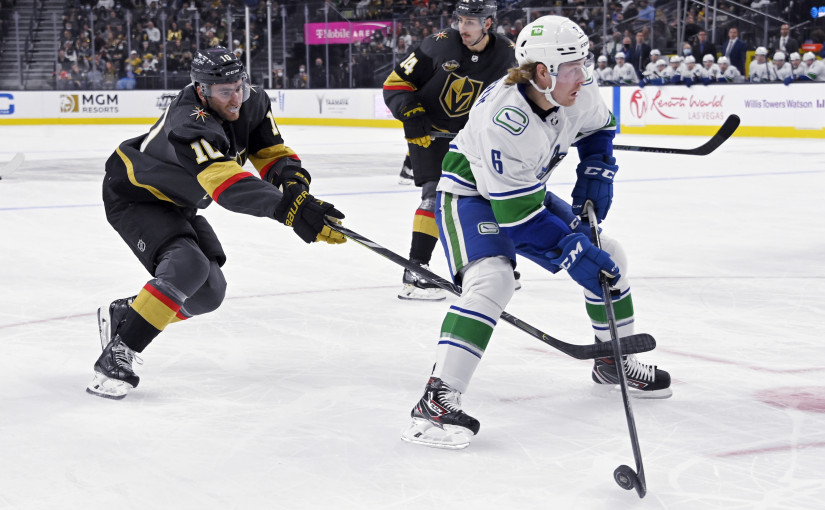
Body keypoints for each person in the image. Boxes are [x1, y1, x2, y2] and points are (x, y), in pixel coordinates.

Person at [400, 15, 672, 450]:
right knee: (493, 279)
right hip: (470, 194)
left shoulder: (574, 87)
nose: (584, 76)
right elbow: (519, 220)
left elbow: (599, 127)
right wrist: (573, 255)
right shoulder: (505, 121)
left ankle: (612, 360)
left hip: (523, 192)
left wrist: (596, 169)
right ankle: (436, 399)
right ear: (542, 72)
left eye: (583, 64)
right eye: (573, 68)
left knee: (610, 254)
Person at [86, 47, 346, 400]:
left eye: (240, 87)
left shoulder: (253, 101)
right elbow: (225, 183)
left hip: (178, 200)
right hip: (135, 196)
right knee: (187, 266)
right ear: (202, 90)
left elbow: (272, 154)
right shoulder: (188, 120)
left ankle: (128, 314)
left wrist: (296, 191)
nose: (236, 98)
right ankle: (117, 353)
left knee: (209, 293)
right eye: (225, 91)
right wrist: (289, 210)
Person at [382, 0, 515, 301]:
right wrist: (410, 114)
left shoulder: (508, 53)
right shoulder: (438, 45)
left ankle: (486, 265)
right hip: (429, 133)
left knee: (490, 195)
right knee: (434, 195)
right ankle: (416, 271)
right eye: (460, 20)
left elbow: (518, 96)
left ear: (488, 24)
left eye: (470, 22)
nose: (462, 27)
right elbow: (394, 83)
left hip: (472, 136)